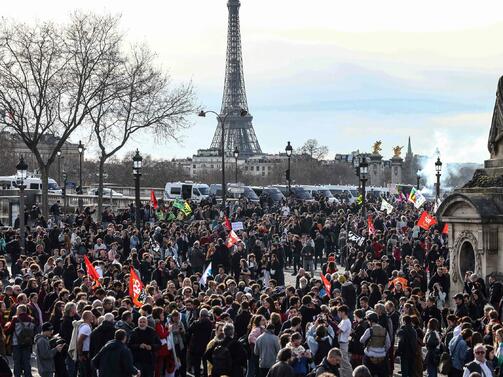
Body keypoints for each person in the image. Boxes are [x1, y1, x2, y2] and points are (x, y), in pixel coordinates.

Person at [5, 304, 36, 377]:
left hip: (16, 343)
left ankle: (17, 375)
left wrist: (5, 328)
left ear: (19, 310)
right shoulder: (31, 319)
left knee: (17, 362)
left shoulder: (15, 319)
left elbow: (9, 330)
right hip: (27, 342)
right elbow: (34, 330)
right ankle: (28, 375)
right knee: (26, 361)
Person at [359, 311, 390, 377]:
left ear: (371, 321)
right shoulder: (385, 330)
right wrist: (383, 351)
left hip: (370, 356)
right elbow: (388, 344)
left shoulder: (370, 330)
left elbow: (361, 340)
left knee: (367, 372)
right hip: (382, 356)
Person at [337, 305, 353, 377]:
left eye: (339, 312)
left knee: (345, 361)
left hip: (344, 343)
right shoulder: (343, 320)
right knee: (341, 361)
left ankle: (351, 375)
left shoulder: (346, 321)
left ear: (343, 312)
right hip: (342, 343)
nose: (338, 314)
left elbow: (338, 331)